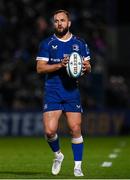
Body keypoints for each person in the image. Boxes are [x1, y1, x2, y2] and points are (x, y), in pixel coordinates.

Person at [36, 9, 91, 177]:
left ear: (69, 23)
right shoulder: (47, 43)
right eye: (56, 21)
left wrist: (84, 68)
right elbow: (40, 68)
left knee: (75, 128)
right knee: (50, 132)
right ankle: (58, 155)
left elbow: (87, 67)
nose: (59, 23)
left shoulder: (80, 43)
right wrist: (60, 65)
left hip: (71, 91)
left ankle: (77, 166)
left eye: (62, 20)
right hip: (52, 91)